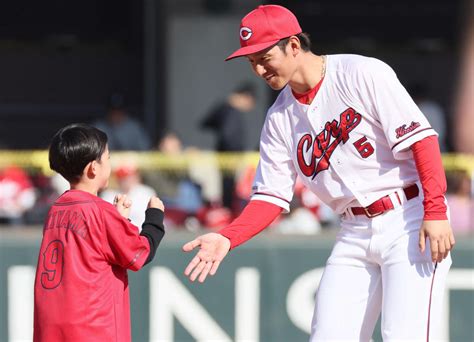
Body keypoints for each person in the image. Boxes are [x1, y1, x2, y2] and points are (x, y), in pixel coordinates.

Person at [182, 4, 455, 341]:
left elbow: (421, 140)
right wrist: (228, 236)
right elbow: (270, 198)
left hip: (408, 219)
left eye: (264, 58)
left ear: (294, 45)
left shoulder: (361, 73)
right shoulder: (279, 118)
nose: (259, 70)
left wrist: (436, 209)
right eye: (252, 63)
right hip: (353, 230)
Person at [33, 123, 165, 341]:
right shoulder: (100, 211)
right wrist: (154, 218)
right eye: (108, 157)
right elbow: (140, 253)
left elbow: (94, 247)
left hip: (53, 329)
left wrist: (119, 219)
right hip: (92, 328)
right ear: (93, 168)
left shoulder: (56, 208)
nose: (110, 164)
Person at [201, 82, 257, 210]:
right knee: (227, 187)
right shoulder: (228, 110)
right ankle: (226, 209)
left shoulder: (229, 111)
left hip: (231, 157)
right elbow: (212, 126)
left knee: (231, 187)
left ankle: (227, 208)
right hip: (229, 157)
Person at [101, 162, 157, 228]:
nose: (127, 180)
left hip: (143, 234)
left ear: (136, 176)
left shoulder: (147, 192)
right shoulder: (108, 195)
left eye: (130, 176)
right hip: (119, 233)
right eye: (123, 177)